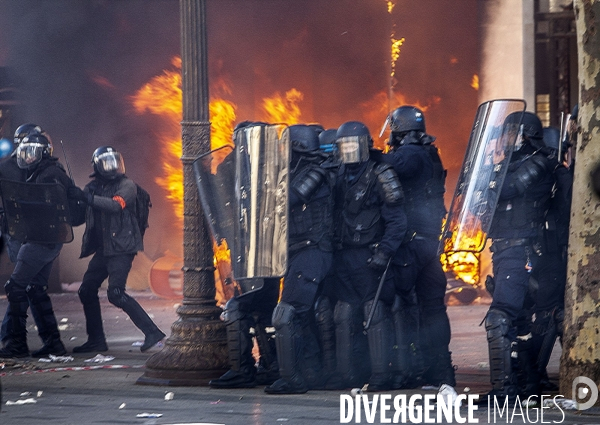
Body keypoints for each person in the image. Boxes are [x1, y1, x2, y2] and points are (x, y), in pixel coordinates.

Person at [381, 106, 457, 397]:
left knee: (402, 304)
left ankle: (408, 366)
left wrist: (371, 155)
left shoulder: (411, 154)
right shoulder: (430, 153)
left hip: (411, 245)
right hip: (429, 243)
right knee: (433, 308)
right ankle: (440, 371)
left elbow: (392, 165)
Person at [484, 111, 555, 401]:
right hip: (503, 249)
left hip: (521, 249)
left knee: (500, 317)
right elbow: (484, 204)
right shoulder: (508, 165)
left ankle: (503, 390)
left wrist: (491, 178)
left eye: (512, 133)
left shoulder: (537, 163)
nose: (506, 139)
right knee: (520, 321)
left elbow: (509, 188)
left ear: (526, 135)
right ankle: (528, 385)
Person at [331, 121, 406, 391]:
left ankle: (380, 376)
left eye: (354, 146)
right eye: (344, 147)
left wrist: (384, 253)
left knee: (372, 312)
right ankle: (349, 374)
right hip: (343, 256)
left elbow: (397, 221)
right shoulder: (338, 174)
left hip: (369, 255)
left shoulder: (381, 173)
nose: (349, 152)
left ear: (365, 146)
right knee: (343, 313)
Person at [71, 146, 165, 353]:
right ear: (97, 166)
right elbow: (78, 219)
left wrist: (86, 198)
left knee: (115, 293)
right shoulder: (92, 188)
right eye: (107, 162)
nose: (112, 166)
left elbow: (115, 206)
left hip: (122, 248)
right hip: (104, 249)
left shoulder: (127, 185)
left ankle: (152, 332)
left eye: (115, 161)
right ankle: (96, 340)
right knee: (86, 290)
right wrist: (72, 199)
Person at [265, 124, 335, 394]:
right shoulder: (295, 171)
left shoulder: (315, 171)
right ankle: (310, 373)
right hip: (299, 251)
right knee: (302, 317)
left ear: (298, 149)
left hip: (313, 251)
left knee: (287, 314)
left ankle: (292, 379)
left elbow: (290, 197)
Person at [0, 129, 74, 357]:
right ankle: (54, 344)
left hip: (38, 240)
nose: (27, 157)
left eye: (32, 152)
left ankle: (17, 343)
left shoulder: (47, 174)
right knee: (35, 288)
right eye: (26, 151)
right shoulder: (42, 171)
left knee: (16, 287)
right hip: (46, 241)